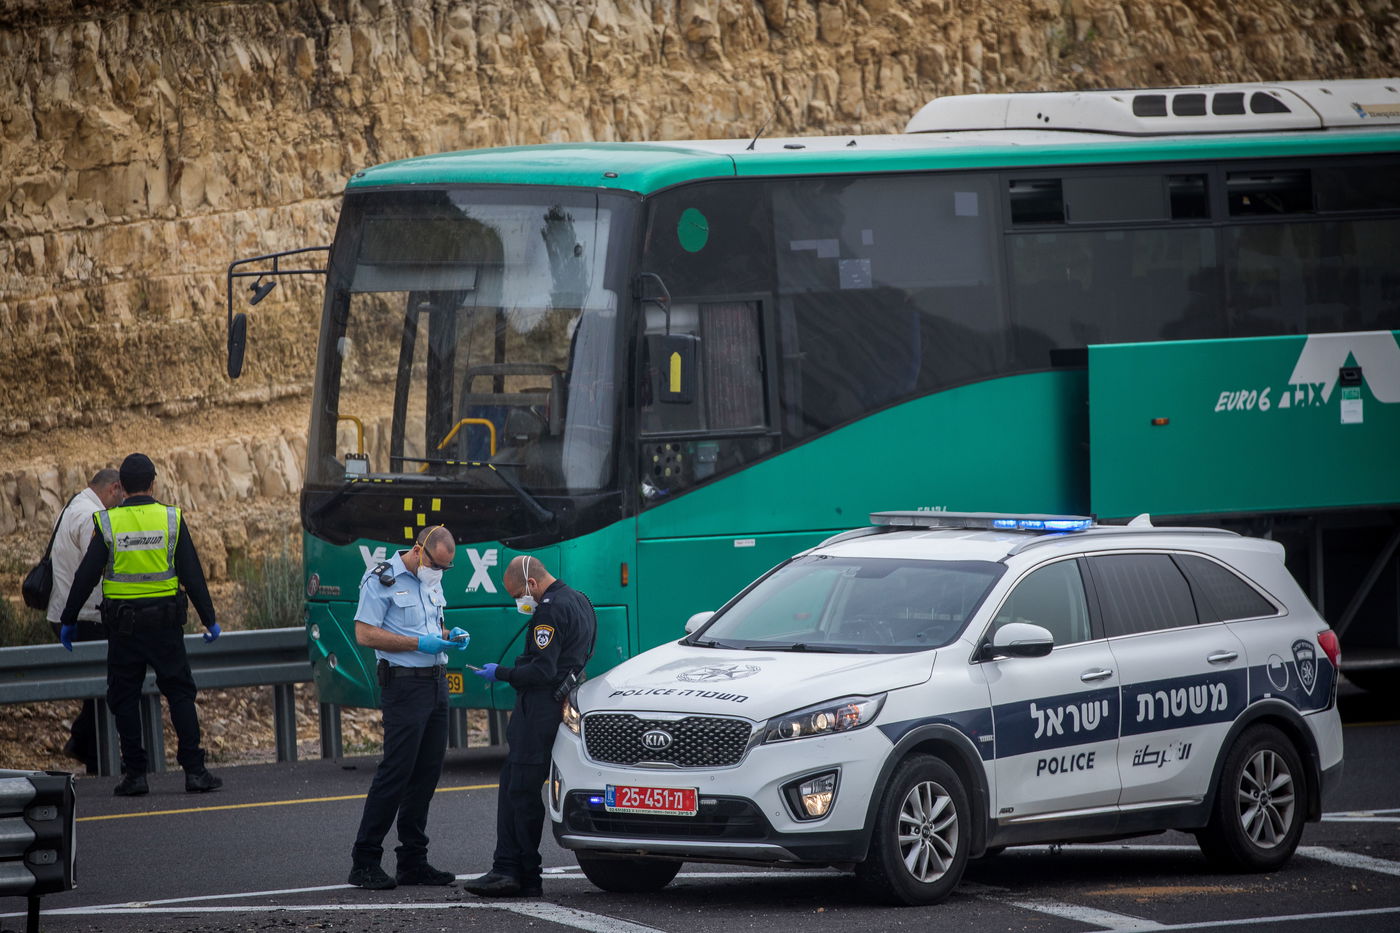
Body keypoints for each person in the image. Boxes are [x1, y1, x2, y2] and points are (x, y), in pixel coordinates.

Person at [59, 453, 223, 797]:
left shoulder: (107, 523)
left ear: (122, 486)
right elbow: (192, 575)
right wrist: (209, 620)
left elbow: (86, 575)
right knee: (179, 693)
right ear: (153, 483)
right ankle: (194, 771)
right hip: (165, 625)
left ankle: (136, 775)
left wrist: (69, 619)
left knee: (125, 697)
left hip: (123, 628)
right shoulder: (171, 518)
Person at [347, 524, 471, 890]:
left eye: (446, 568)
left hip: (435, 683)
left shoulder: (431, 578)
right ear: (419, 551)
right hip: (403, 686)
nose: (441, 573)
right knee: (395, 772)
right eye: (437, 565)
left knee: (427, 773)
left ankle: (413, 860)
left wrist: (450, 637)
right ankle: (365, 859)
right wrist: (420, 643)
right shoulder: (382, 578)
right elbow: (364, 633)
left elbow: (431, 626)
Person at [465, 555, 596, 899]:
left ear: (532, 584)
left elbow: (541, 670)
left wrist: (502, 673)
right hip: (558, 703)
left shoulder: (549, 610)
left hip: (539, 708)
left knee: (520, 791)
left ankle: (519, 873)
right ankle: (509, 866)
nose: (520, 601)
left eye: (518, 594)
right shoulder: (580, 600)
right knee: (514, 783)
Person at [46, 468, 125, 773]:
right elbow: (94, 568)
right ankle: (87, 749)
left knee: (99, 686)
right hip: (84, 616)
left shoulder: (73, 506)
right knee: (106, 685)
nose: (121, 503)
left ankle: (89, 751)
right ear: (114, 488)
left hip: (66, 612)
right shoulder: (92, 516)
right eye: (121, 496)